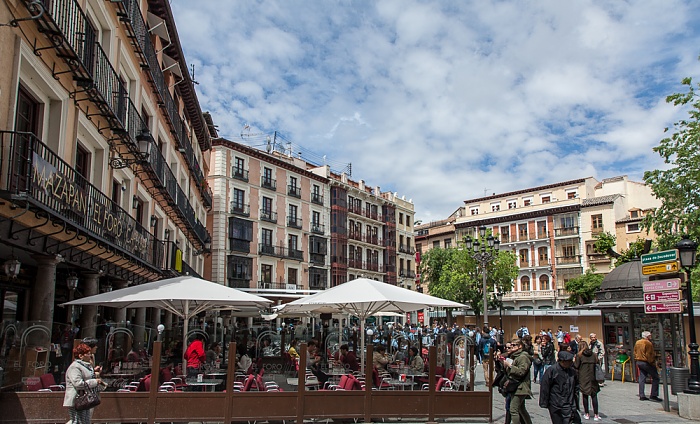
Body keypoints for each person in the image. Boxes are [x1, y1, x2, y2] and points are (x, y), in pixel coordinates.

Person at [63, 343, 103, 424]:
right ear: (81, 356)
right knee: (76, 421)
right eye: (88, 354)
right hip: (77, 399)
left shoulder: (84, 366)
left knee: (84, 421)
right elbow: (78, 383)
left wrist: (95, 374)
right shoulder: (75, 367)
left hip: (85, 398)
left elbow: (87, 377)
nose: (90, 356)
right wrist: (95, 382)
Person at [539, 350, 579, 424]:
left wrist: (575, 403)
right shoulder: (552, 370)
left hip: (569, 403)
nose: (571, 363)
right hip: (556, 403)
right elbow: (545, 386)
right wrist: (544, 402)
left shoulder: (572, 371)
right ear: (562, 361)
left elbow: (576, 387)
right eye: (569, 361)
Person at [499, 338, 533, 424]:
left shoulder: (523, 357)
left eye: (514, 345)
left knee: (513, 410)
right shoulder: (515, 356)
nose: (511, 347)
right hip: (516, 386)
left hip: (521, 387)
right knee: (521, 409)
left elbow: (521, 371)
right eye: (511, 345)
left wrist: (510, 366)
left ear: (520, 346)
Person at [574, 341, 600, 420]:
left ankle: (587, 413)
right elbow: (597, 363)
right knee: (594, 395)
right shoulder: (594, 355)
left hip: (583, 377)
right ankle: (596, 414)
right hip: (593, 377)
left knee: (585, 395)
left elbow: (576, 366)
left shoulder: (579, 355)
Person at [634, 331, 661, 402]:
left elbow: (635, 351)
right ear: (647, 337)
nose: (651, 337)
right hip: (646, 362)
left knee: (642, 377)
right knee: (656, 377)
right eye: (649, 336)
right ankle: (654, 395)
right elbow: (649, 354)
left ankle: (642, 395)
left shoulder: (637, 342)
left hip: (639, 361)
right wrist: (652, 363)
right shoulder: (648, 343)